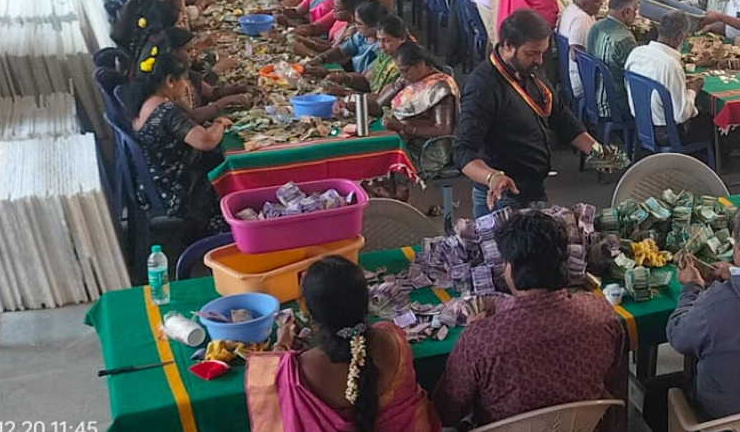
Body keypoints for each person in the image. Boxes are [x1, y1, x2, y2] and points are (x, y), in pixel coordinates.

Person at [433, 211, 625, 428]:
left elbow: (446, 411)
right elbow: (610, 377)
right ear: (563, 262)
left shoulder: (480, 340)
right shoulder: (600, 313)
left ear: (510, 269)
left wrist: (474, 333)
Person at [246, 256, 442, 432]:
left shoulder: (298, 369)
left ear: (306, 310)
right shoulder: (394, 339)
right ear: (366, 301)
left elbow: (269, 379)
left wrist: (282, 343)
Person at [454, 9, 599, 214]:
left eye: (542, 53)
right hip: (503, 198)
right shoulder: (482, 87)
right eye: (532, 53)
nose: (540, 60)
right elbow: (463, 152)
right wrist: (492, 177)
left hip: (532, 191)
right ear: (507, 46)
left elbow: (560, 116)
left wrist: (598, 151)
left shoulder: (529, 70)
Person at [667, 200, 740, 421]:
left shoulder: (719, 302)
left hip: (725, 420)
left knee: (656, 398)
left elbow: (678, 336)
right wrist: (738, 272)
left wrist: (692, 288)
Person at [127, 52, 229, 244]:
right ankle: (212, 232)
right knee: (223, 164)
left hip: (152, 177)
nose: (185, 87)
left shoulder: (142, 101)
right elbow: (206, 141)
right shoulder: (166, 111)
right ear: (170, 81)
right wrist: (220, 123)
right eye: (183, 81)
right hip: (172, 187)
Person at [625, 10, 711, 146]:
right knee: (709, 120)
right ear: (680, 37)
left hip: (640, 123)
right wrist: (693, 90)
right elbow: (682, 114)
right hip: (666, 134)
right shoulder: (671, 66)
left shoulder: (636, 53)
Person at [383, 43, 459, 174]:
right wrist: (398, 85)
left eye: (405, 70)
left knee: (384, 162)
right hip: (410, 140)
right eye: (400, 71)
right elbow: (380, 103)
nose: (402, 75)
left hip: (428, 151)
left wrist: (403, 128)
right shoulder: (414, 80)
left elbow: (443, 130)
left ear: (421, 64)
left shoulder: (440, 87)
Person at [587, 0, 640, 121]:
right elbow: (637, 77)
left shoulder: (595, 26)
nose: (636, 15)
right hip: (613, 105)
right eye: (635, 10)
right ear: (627, 12)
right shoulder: (625, 39)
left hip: (592, 94)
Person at [325, 15, 411, 96]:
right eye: (379, 40)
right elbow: (366, 80)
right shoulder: (385, 55)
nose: (381, 45)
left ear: (402, 39)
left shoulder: (405, 63)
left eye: (387, 41)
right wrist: (343, 78)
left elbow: (381, 100)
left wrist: (345, 92)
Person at [309, 0, 387, 74]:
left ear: (375, 26)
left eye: (360, 24)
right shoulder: (361, 36)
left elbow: (365, 77)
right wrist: (321, 58)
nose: (356, 27)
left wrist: (329, 72)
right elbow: (341, 50)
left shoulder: (380, 47)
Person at [558, 0, 603, 101]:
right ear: (584, 4)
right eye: (598, 1)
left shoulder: (571, 9)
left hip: (566, 75)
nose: (602, 4)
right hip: (580, 80)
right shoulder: (582, 19)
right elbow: (576, 54)